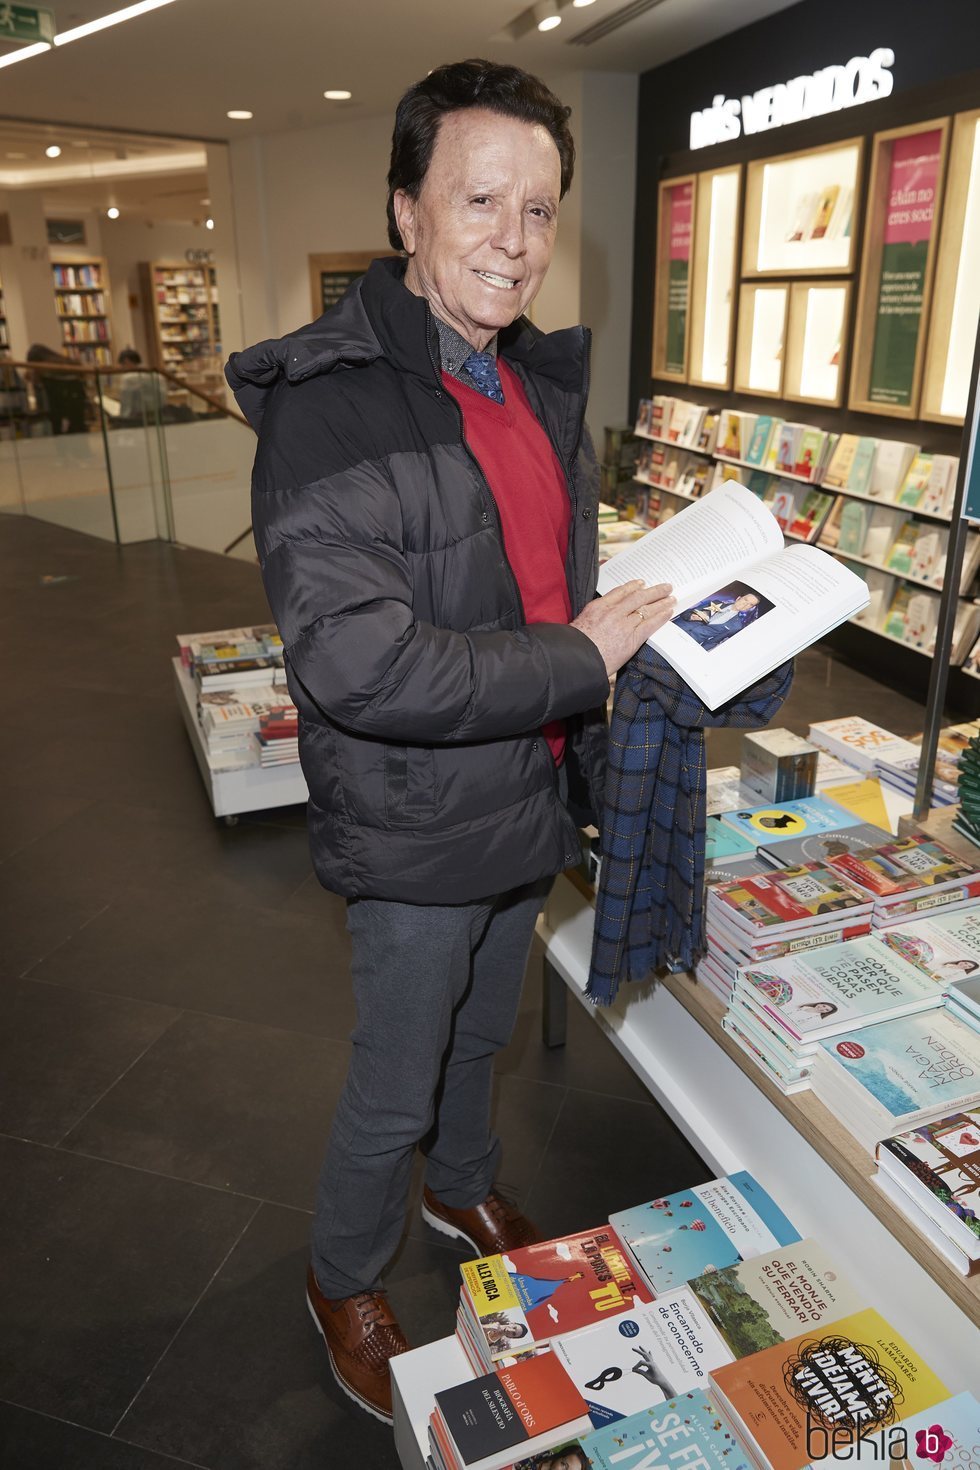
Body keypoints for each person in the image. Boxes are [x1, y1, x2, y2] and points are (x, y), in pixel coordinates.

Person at [225, 58, 675, 1424]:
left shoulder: (525, 383)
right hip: (420, 809)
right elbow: (358, 657)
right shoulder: (332, 403)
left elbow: (526, 573)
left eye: (540, 210)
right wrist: (576, 656)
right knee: (396, 1069)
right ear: (407, 211)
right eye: (482, 198)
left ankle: (463, 1181)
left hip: (528, 782)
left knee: (480, 1032)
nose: (516, 239)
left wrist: (632, 612)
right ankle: (342, 1271)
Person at [115, 348, 169, 423]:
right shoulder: (157, 376)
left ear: (127, 361)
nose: (122, 368)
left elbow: (126, 403)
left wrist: (121, 418)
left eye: (122, 365)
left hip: (136, 419)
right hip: (159, 416)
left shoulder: (128, 378)